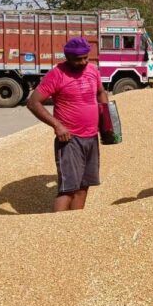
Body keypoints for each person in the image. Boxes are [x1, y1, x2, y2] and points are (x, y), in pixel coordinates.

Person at [27, 37, 108, 212]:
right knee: (68, 188)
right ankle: (57, 230)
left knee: (84, 185)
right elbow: (33, 103)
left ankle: (75, 226)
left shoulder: (93, 71)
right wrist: (57, 126)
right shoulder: (57, 75)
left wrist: (107, 121)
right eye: (78, 59)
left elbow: (101, 93)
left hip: (91, 137)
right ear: (68, 57)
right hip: (70, 139)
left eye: (86, 57)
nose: (83, 62)